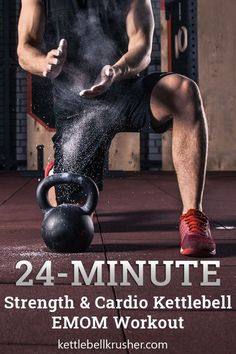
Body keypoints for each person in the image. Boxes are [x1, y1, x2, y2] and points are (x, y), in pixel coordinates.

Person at [17, 0, 216, 257]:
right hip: (76, 103)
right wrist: (44, 63)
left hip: (121, 87)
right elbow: (25, 48)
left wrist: (117, 70)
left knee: (184, 92)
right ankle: (58, 170)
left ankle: (193, 217)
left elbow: (142, 46)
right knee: (67, 213)